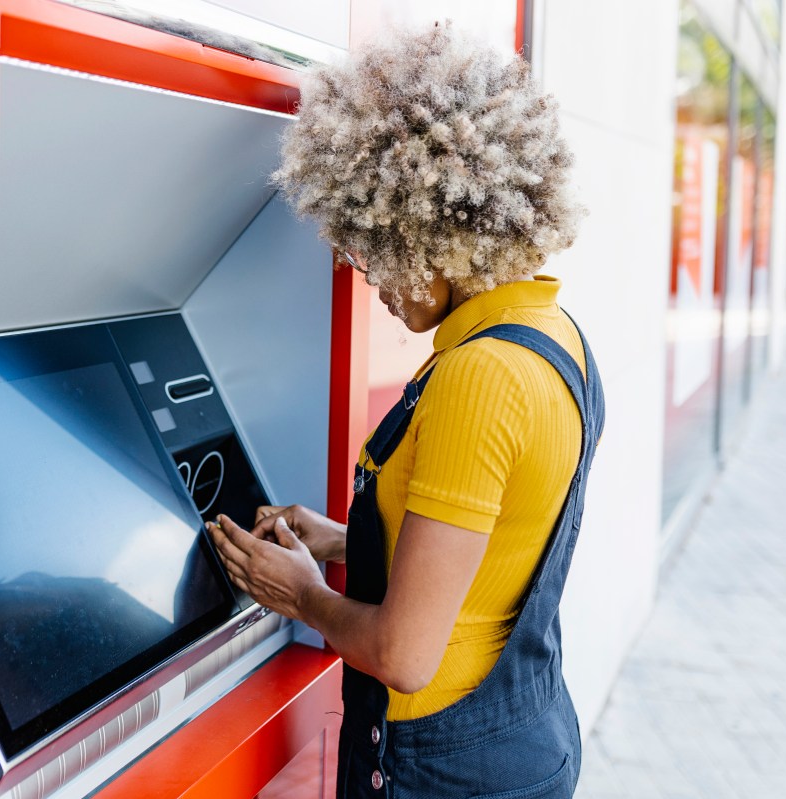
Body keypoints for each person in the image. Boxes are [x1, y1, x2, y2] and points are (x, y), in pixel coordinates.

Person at [208, 22, 604, 799]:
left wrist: (300, 591)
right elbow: (491, 551)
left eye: (378, 250)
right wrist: (337, 537)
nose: (373, 282)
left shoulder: (478, 376)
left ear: (434, 229)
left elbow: (404, 654)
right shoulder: (556, 336)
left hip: (440, 769)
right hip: (524, 736)